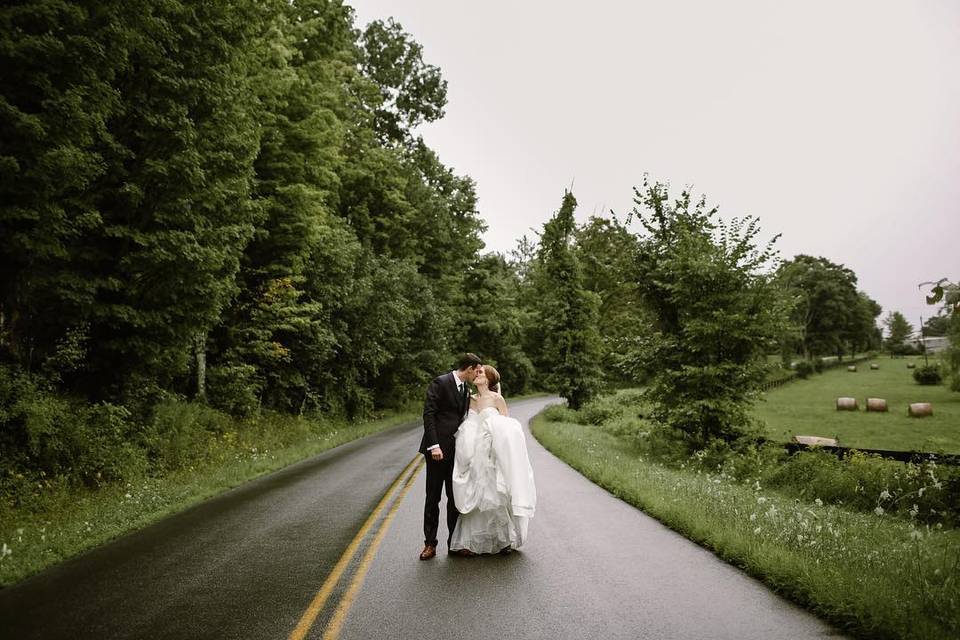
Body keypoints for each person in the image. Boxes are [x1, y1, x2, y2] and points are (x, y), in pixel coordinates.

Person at [449, 364, 536, 556]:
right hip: (474, 452)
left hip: (492, 453)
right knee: (477, 494)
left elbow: (508, 430)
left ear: (489, 379)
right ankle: (470, 542)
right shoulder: (470, 399)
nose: (477, 374)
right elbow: (467, 424)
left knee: (495, 493)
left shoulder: (497, 399)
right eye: (477, 372)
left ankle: (502, 539)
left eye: (481, 372)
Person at [419, 353, 483, 561]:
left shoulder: (465, 389)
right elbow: (429, 414)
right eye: (477, 370)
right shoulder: (441, 382)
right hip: (437, 451)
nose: (478, 374)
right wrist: (434, 445)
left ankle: (454, 544)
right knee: (433, 497)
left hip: (457, 452)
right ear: (470, 368)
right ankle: (430, 544)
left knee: (455, 497)